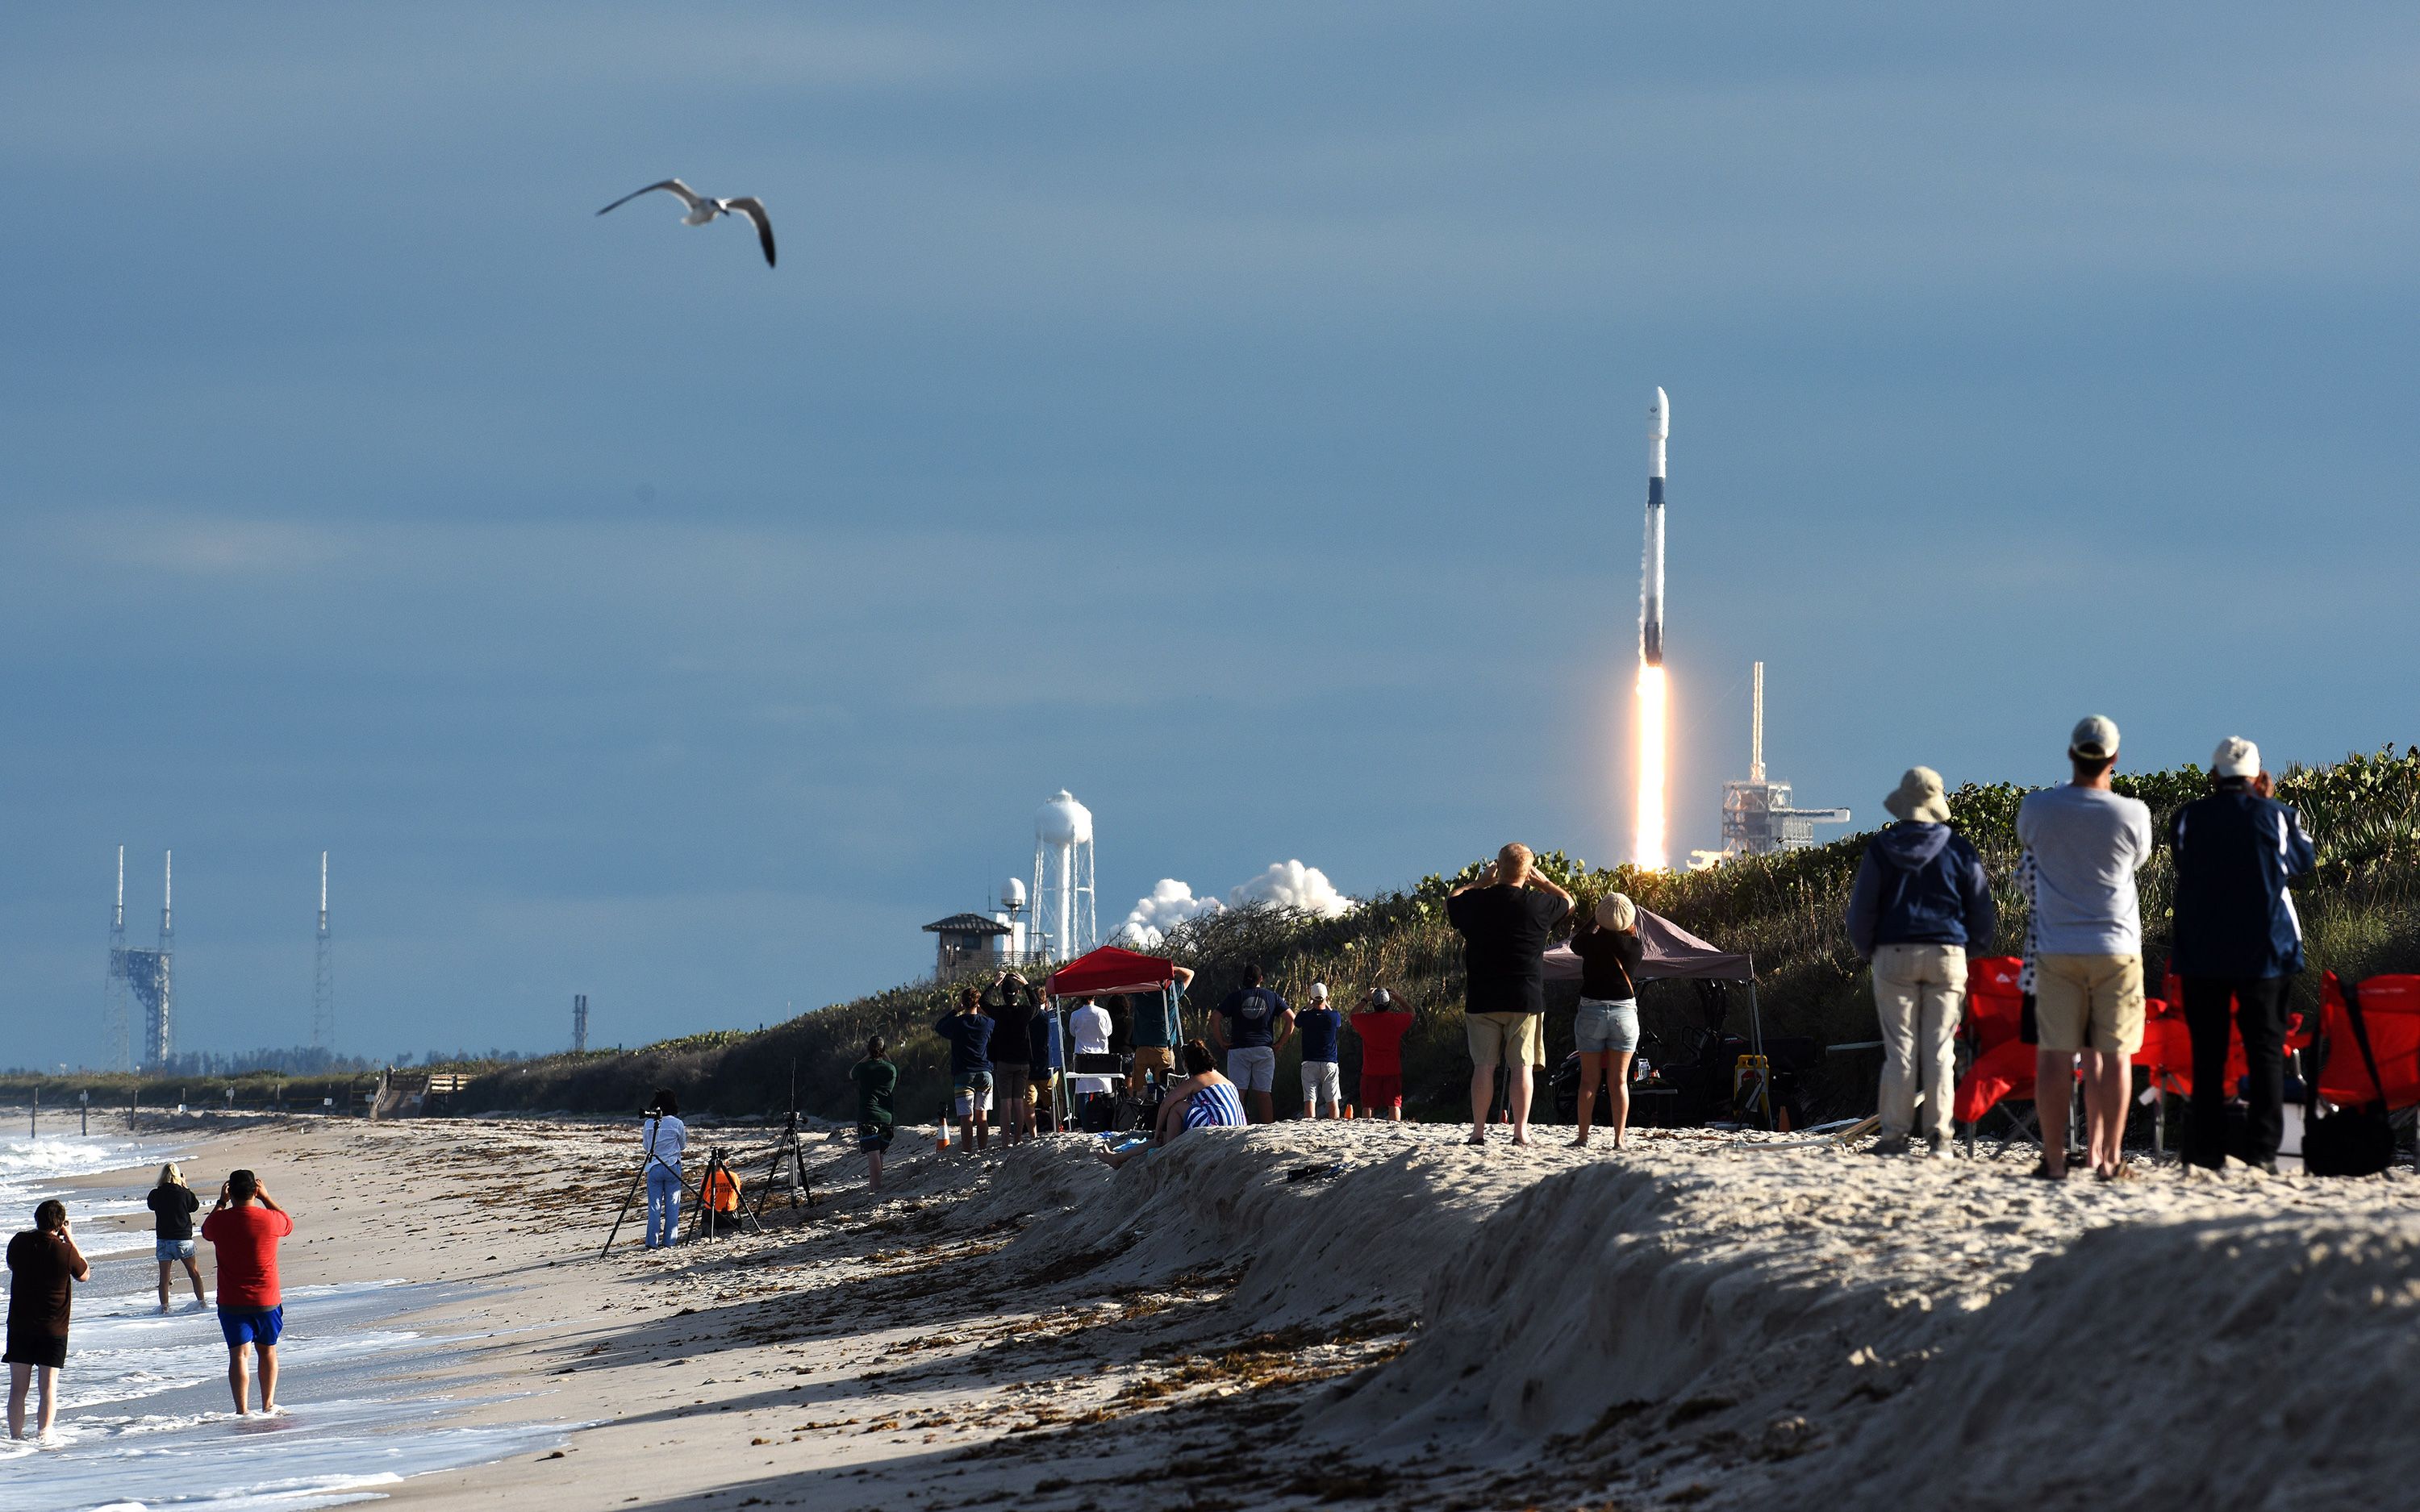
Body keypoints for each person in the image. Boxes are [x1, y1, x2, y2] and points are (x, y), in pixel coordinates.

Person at [2016, 716, 2155, 1181]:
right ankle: (2110, 1160)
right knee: (2115, 1055)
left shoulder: (2037, 809)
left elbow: (2030, 859)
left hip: (2056, 948)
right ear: (2114, 759)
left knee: (2054, 1055)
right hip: (2116, 946)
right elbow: (2136, 859)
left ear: (2072, 755)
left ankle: (2054, 1160)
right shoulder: (2132, 813)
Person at [2169, 737, 2316, 1174]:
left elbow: (2183, 861)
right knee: (2266, 1049)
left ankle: (2209, 1149)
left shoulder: (2188, 819)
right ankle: (2263, 1149)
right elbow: (2301, 861)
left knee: (2208, 1051)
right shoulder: (2280, 817)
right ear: (2257, 776)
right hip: (2267, 950)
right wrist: (2267, 804)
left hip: (2203, 951)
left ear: (2214, 776)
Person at [1847, 766, 1998, 1159]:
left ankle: (1895, 1136)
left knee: (1900, 1049)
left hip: (1894, 954)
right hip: (1947, 954)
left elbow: (1862, 912)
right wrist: (1971, 948)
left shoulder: (1881, 849)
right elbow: (1981, 911)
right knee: (1940, 1048)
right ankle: (1940, 1138)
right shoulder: (1960, 850)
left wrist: (1869, 950)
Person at [1446, 843, 1574, 1147]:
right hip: (1524, 996)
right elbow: (1568, 902)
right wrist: (1543, 882)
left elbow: (1452, 900)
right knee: (1522, 1067)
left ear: (1498, 869)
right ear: (1527, 872)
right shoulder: (1537, 904)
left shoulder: (1477, 901)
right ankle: (1520, 1131)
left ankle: (1478, 1131)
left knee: (1484, 1067)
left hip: (1483, 996)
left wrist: (1479, 883)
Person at [200, 1170, 294, 1416]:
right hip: (267, 1300)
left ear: (230, 1192)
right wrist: (267, 1197)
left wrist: (221, 1202)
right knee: (268, 1350)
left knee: (239, 1355)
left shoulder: (220, 1221)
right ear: (255, 1190)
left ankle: (242, 1411)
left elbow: (206, 1231)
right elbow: (288, 1223)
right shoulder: (270, 1219)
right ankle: (268, 1405)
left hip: (232, 1302)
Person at [1568, 892, 1647, 1149]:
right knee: (1619, 1081)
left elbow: (1576, 941)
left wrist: (1596, 918)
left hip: (1591, 1010)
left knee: (1589, 1080)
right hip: (1624, 1014)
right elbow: (1632, 937)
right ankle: (1619, 1139)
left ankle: (1582, 1138)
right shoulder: (1634, 947)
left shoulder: (1589, 944)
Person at [6, 1200, 90, 1441]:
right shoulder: (64, 1251)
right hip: (53, 1328)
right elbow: (84, 1274)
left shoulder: (19, 1242)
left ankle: (15, 1438)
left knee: (18, 1389)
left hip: (21, 1325)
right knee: (48, 1387)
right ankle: (44, 1435)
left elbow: (12, 1265)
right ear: (61, 1223)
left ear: (37, 1218)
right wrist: (70, 1238)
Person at [1097, 1041, 1246, 1168]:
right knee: (1165, 1136)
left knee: (1177, 1107)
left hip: (1217, 1126)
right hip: (1237, 1127)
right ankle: (1119, 1158)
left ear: (1189, 1064)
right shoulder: (1226, 1081)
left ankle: (1169, 1149)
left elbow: (1166, 1103)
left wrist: (1156, 1132)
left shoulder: (1198, 1079)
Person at [1211, 964, 1294, 1123]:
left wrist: (1221, 1041)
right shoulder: (1272, 996)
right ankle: (1268, 1127)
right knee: (1263, 1093)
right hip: (1264, 1048)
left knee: (1238, 1093)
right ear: (1261, 979)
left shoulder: (1235, 997)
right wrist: (1280, 1043)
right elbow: (1291, 1019)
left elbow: (1215, 1017)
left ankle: (1238, 1125)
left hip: (1239, 1050)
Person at [934, 986, 997, 1153]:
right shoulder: (988, 1023)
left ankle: (968, 1151)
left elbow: (939, 1027)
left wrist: (955, 1010)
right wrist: (985, 1011)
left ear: (963, 1003)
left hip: (963, 1074)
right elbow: (998, 1023)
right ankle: (983, 1149)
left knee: (966, 1119)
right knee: (982, 1117)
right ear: (978, 1004)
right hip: (984, 1072)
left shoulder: (957, 1023)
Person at [986, 971, 1039, 1147]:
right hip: (1023, 1061)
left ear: (1003, 994)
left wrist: (994, 983)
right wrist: (1026, 984)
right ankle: (1017, 1140)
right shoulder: (1025, 1012)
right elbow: (1036, 1004)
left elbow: (983, 1002)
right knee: (1018, 1101)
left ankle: (1004, 1142)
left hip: (1004, 1062)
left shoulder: (999, 1012)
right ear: (1017, 993)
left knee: (1005, 1102)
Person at [1128, 964, 1197, 1095]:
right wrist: (1171, 969)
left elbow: (1129, 976)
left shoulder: (1140, 990)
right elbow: (1190, 974)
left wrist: (1147, 971)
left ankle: (1142, 1115)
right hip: (1164, 1049)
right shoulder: (1172, 992)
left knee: (1141, 1094)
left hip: (1143, 1049)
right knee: (1165, 1092)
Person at [147, 1162, 206, 1311]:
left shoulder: (156, 1194)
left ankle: (165, 1307)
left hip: (164, 1240)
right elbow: (194, 1206)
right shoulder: (184, 1193)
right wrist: (185, 1186)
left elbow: (151, 1205)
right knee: (194, 1273)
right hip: (183, 1239)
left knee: (164, 1278)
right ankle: (201, 1302)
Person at [1348, 988, 1413, 1120]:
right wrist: (1399, 999)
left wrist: (1365, 1000)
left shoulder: (1366, 1021)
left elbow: (1352, 1015)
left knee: (1368, 1106)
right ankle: (1396, 1130)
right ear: (1389, 1004)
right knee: (1394, 1105)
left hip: (1370, 1070)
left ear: (1374, 1004)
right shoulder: (1395, 1020)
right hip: (1392, 1070)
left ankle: (1367, 1132)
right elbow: (1411, 1013)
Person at [638, 1089, 689, 1248]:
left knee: (654, 1206)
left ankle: (652, 1242)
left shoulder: (648, 1123)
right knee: (673, 1205)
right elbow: (683, 1146)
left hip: (654, 1166)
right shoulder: (677, 1123)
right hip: (673, 1166)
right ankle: (669, 1242)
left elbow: (647, 1147)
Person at [853, 1036, 897, 1193]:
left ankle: (876, 1188)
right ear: (884, 1051)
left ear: (868, 1050)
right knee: (880, 1153)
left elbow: (852, 1073)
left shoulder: (863, 1068)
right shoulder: (890, 1069)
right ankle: (874, 1185)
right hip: (887, 1117)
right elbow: (891, 1065)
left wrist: (866, 1057)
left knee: (873, 1154)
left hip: (868, 1115)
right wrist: (885, 1056)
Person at [1296, 982, 1344, 1119]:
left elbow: (1297, 1021)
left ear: (1311, 998)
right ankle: (1334, 1123)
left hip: (1310, 1062)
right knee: (1332, 1099)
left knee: (1310, 1099)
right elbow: (1336, 1020)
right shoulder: (1333, 1017)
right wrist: (1327, 1005)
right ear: (1326, 997)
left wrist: (1306, 1006)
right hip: (1329, 1062)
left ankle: (1310, 1125)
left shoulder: (1306, 1017)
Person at [1069, 996, 1116, 1106]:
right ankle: (1101, 1120)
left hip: (1082, 1058)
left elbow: (1072, 1032)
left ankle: (1086, 1122)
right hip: (1101, 1057)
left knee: (1083, 1091)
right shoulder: (1103, 1013)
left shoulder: (1075, 1015)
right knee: (1101, 1090)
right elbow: (1109, 1032)